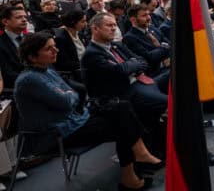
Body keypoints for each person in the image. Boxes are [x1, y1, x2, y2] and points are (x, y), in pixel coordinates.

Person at [15, 32, 163, 191]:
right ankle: (132, 174)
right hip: (58, 133)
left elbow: (73, 94)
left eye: (54, 46)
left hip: (74, 120)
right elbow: (67, 100)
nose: (56, 51)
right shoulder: (30, 79)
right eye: (48, 49)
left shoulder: (46, 70)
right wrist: (68, 95)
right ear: (32, 57)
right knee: (123, 126)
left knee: (122, 107)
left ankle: (136, 164)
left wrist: (68, 95)